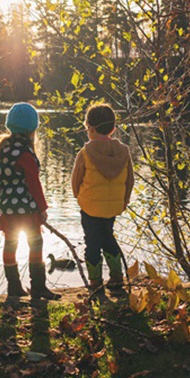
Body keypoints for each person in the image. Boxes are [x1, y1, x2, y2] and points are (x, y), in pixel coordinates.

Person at [0, 102, 60, 300]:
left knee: (10, 244)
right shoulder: (25, 153)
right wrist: (42, 208)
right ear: (32, 129)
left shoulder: (2, 149)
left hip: (7, 207)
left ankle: (14, 287)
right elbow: (33, 183)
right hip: (26, 208)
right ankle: (38, 288)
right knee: (36, 243)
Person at [71, 103, 134, 293]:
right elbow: (130, 180)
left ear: (90, 128)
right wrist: (124, 202)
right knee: (108, 237)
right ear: (113, 128)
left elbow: (76, 180)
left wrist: (80, 197)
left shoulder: (86, 152)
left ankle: (95, 282)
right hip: (113, 207)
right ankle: (116, 277)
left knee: (92, 242)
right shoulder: (124, 152)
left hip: (90, 206)